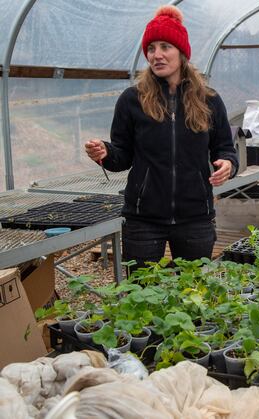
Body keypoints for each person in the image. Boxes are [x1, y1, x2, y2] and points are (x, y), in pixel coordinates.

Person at [84, 5, 238, 272]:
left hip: (195, 216)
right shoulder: (132, 100)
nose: (156, 55)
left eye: (165, 46)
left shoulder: (209, 100)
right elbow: (123, 155)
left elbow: (225, 148)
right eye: (151, 48)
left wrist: (227, 164)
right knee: (142, 296)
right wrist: (105, 153)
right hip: (143, 219)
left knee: (192, 295)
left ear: (182, 53)